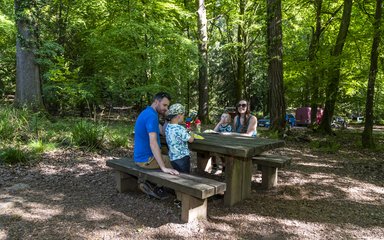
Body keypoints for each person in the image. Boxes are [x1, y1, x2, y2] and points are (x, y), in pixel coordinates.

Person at [133, 92, 179, 200]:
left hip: (140, 156)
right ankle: (163, 189)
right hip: (146, 159)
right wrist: (163, 167)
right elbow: (153, 143)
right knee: (174, 160)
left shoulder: (148, 112)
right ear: (156, 102)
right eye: (164, 105)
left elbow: (162, 131)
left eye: (167, 106)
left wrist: (168, 118)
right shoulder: (151, 117)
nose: (166, 108)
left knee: (167, 152)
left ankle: (154, 184)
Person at [165, 103, 194, 173]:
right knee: (185, 176)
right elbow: (191, 140)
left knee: (178, 174)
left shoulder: (168, 127)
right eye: (183, 115)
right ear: (178, 116)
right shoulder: (180, 128)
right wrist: (191, 133)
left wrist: (185, 131)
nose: (183, 117)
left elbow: (177, 134)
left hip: (173, 158)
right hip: (182, 158)